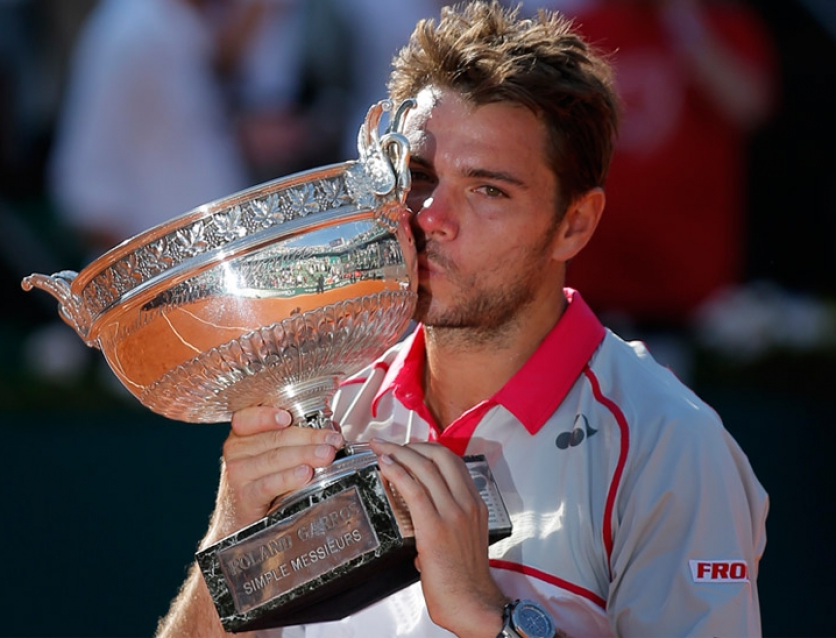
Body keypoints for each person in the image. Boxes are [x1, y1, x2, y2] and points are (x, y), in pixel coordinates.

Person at [155, 2, 768, 636]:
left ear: (574, 224)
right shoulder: (327, 404)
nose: (430, 217)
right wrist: (232, 529)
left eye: (488, 190)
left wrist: (489, 617)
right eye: (417, 177)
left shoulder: (669, 445)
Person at [564, 0, 777, 332]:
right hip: (589, 275)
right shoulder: (580, 26)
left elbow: (748, 106)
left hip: (687, 283)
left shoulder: (721, 25)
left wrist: (685, 25)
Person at [47, 0, 253, 257]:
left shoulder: (185, 25)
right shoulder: (131, 30)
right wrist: (156, 279)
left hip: (214, 274)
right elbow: (84, 190)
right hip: (169, 286)